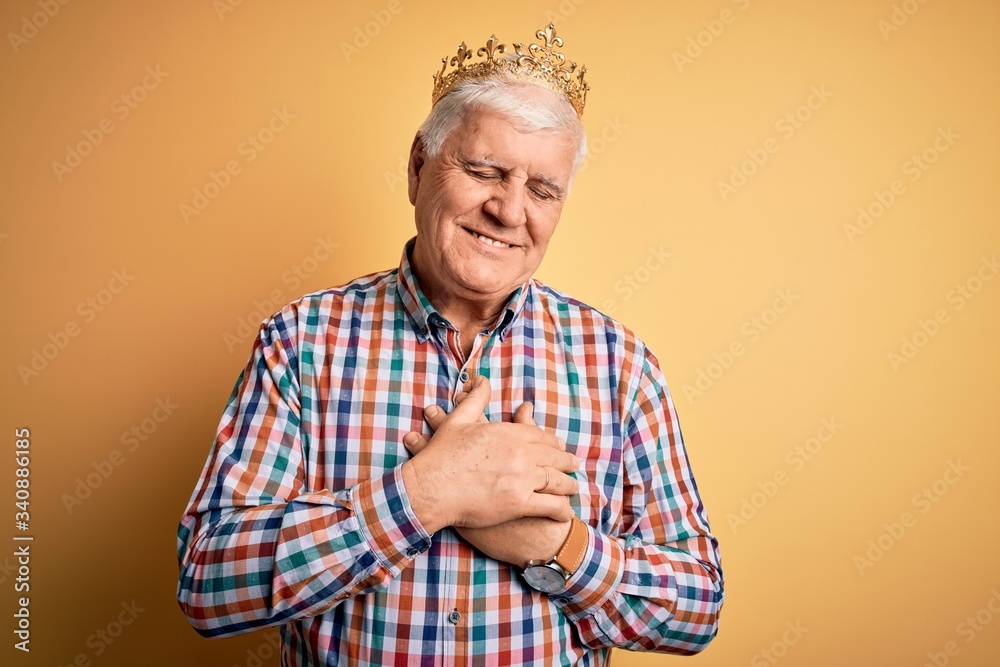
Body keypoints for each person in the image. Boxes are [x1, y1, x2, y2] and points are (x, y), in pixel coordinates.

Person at [176, 23, 723, 666]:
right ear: (418, 168)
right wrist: (425, 495)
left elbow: (696, 609)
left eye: (542, 190)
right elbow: (209, 582)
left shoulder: (621, 366)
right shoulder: (301, 343)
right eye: (484, 170)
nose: (510, 211)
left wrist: (561, 547)